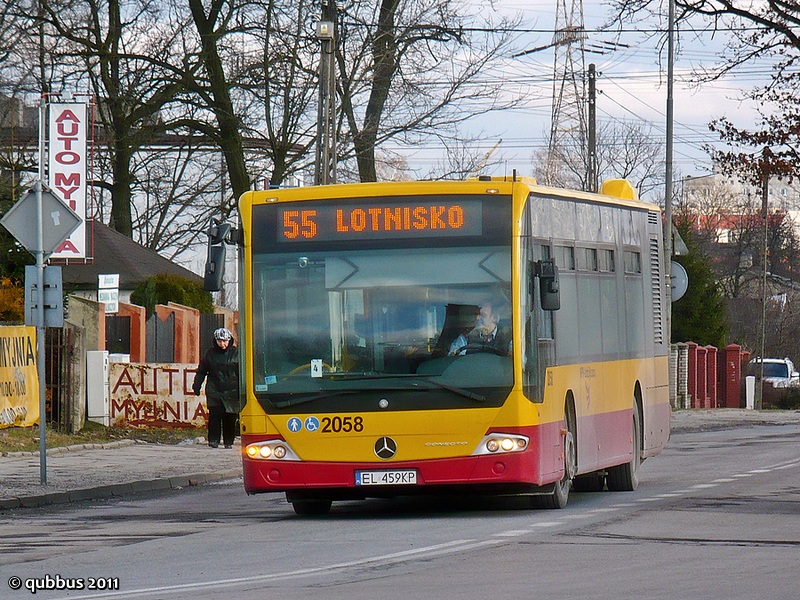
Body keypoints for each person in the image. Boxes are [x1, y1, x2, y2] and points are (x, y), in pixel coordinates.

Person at [193, 328, 239, 448]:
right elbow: (202, 371)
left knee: (230, 417)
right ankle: (213, 440)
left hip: (232, 390)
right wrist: (197, 385)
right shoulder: (210, 354)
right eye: (219, 341)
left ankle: (228, 441)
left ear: (230, 340)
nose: (222, 344)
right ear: (215, 340)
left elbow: (243, 373)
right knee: (214, 416)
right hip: (215, 389)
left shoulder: (237, 353)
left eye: (225, 341)